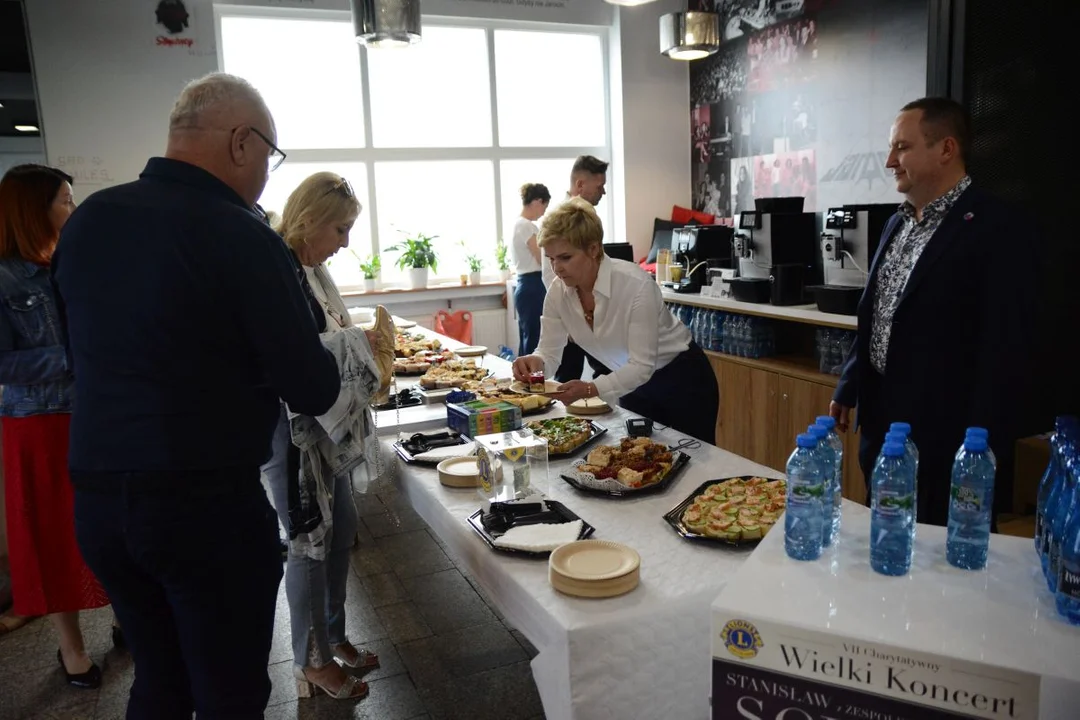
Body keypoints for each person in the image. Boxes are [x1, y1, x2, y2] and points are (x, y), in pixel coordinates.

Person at [52, 73, 341, 718]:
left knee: (158, 678)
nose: (267, 173)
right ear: (241, 142)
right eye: (269, 155)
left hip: (101, 504)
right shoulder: (243, 236)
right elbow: (312, 386)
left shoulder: (90, 221)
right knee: (229, 692)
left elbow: (81, 358)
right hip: (201, 506)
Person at [830, 97, 1037, 526]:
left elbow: (1004, 346)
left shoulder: (997, 227)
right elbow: (878, 314)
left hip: (947, 431)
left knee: (941, 558)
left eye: (902, 148)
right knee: (885, 535)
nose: (889, 161)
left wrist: (980, 445)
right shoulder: (896, 223)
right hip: (883, 421)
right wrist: (849, 385)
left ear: (946, 149)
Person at [261, 171, 380, 701]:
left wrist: (356, 341)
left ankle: (333, 635)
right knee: (308, 542)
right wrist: (360, 343)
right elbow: (291, 354)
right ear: (308, 221)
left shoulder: (312, 269)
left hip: (326, 430)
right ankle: (311, 661)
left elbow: (326, 336)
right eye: (340, 229)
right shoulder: (278, 270)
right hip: (290, 433)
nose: (345, 242)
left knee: (342, 528)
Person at [0, 164, 112, 689]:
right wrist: (73, 355)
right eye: (64, 200)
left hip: (87, 412)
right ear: (34, 209)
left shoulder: (67, 261)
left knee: (107, 526)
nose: (73, 208)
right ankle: (71, 649)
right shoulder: (3, 275)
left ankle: (124, 618)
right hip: (37, 426)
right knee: (52, 537)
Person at [513, 198, 719, 442]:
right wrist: (535, 363)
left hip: (682, 379)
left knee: (694, 463)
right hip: (629, 381)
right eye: (551, 259)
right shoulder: (558, 292)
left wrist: (591, 388)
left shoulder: (636, 285)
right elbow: (549, 352)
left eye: (565, 257)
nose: (556, 268)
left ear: (593, 249)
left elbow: (642, 365)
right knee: (637, 459)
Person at [542, 156, 612, 383]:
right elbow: (550, 274)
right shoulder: (559, 219)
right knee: (568, 375)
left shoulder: (585, 216)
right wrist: (569, 314)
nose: (603, 193)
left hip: (586, 303)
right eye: (599, 187)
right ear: (580, 184)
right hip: (571, 302)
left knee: (604, 368)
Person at [510, 182, 550, 356]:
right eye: (544, 206)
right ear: (536, 202)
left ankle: (525, 378)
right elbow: (541, 257)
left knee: (528, 336)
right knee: (534, 338)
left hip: (526, 285)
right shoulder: (526, 225)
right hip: (532, 285)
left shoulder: (519, 224)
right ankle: (531, 378)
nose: (544, 212)